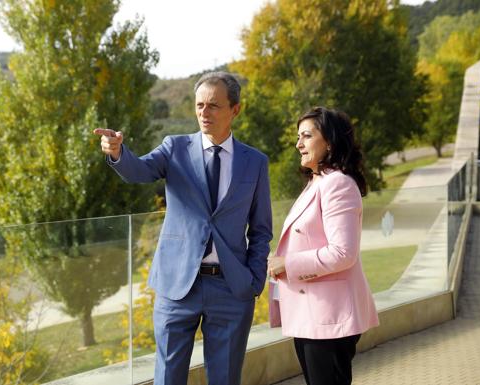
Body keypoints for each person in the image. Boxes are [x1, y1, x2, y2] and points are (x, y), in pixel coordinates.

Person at [93, 71, 272, 385]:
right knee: (168, 379)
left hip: (231, 288)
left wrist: (254, 280)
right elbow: (140, 170)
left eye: (214, 105)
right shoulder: (173, 148)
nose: (204, 112)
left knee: (226, 379)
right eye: (199, 105)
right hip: (177, 288)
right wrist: (119, 152)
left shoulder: (255, 162)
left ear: (235, 110)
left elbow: (260, 229)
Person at [267, 107, 379, 385]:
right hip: (312, 315)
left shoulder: (337, 184)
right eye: (298, 137)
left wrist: (287, 264)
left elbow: (343, 253)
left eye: (306, 136)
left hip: (328, 317)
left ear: (329, 141)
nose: (298, 144)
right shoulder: (318, 182)